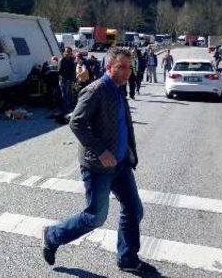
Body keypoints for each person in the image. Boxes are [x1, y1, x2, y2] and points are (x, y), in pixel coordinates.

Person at [42, 48, 155, 274]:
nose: (127, 72)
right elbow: (76, 123)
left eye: (129, 67)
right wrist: (102, 152)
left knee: (134, 209)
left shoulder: (119, 90)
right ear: (108, 67)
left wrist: (129, 152)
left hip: (120, 164)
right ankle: (52, 235)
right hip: (98, 166)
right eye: (120, 67)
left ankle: (127, 258)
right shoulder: (96, 90)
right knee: (95, 216)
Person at [58, 47, 76, 114]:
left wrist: (73, 79)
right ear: (64, 52)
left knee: (69, 94)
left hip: (69, 80)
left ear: (71, 53)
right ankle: (64, 110)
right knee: (64, 95)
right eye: (66, 51)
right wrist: (66, 78)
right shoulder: (62, 60)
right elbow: (59, 71)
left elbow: (73, 70)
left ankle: (68, 108)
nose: (67, 53)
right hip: (63, 80)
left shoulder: (71, 59)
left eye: (69, 52)